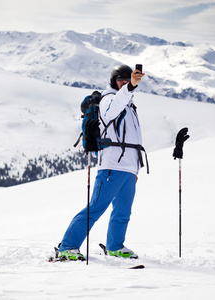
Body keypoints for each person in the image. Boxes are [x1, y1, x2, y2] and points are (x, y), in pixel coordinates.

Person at [57, 64, 146, 260]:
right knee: (95, 208)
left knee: (123, 211)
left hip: (128, 167)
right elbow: (110, 112)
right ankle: (67, 247)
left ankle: (115, 245)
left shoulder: (129, 103)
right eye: (121, 79)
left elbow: (132, 137)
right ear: (114, 81)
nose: (124, 82)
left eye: (127, 79)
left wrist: (135, 169)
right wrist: (129, 87)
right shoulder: (109, 99)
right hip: (112, 165)